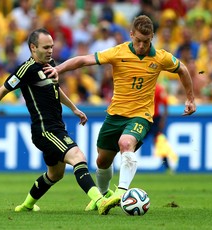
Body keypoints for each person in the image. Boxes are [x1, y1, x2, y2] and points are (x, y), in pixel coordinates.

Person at [44, 15, 196, 214]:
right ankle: (104, 196)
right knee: (102, 161)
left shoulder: (160, 57)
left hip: (141, 116)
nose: (141, 45)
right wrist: (58, 69)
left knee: (126, 143)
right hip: (115, 115)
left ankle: (122, 192)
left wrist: (190, 99)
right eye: (138, 40)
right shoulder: (118, 52)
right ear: (131, 34)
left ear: (152, 37)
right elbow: (83, 60)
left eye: (146, 41)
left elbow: (182, 69)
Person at [0, 28, 112, 215]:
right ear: (33, 48)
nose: (50, 50)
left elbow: (54, 89)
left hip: (55, 127)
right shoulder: (26, 69)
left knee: (55, 174)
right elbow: (2, 90)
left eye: (51, 46)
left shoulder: (49, 64)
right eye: (46, 47)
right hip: (45, 130)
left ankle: (27, 205)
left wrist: (74, 108)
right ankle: (100, 200)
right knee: (78, 157)